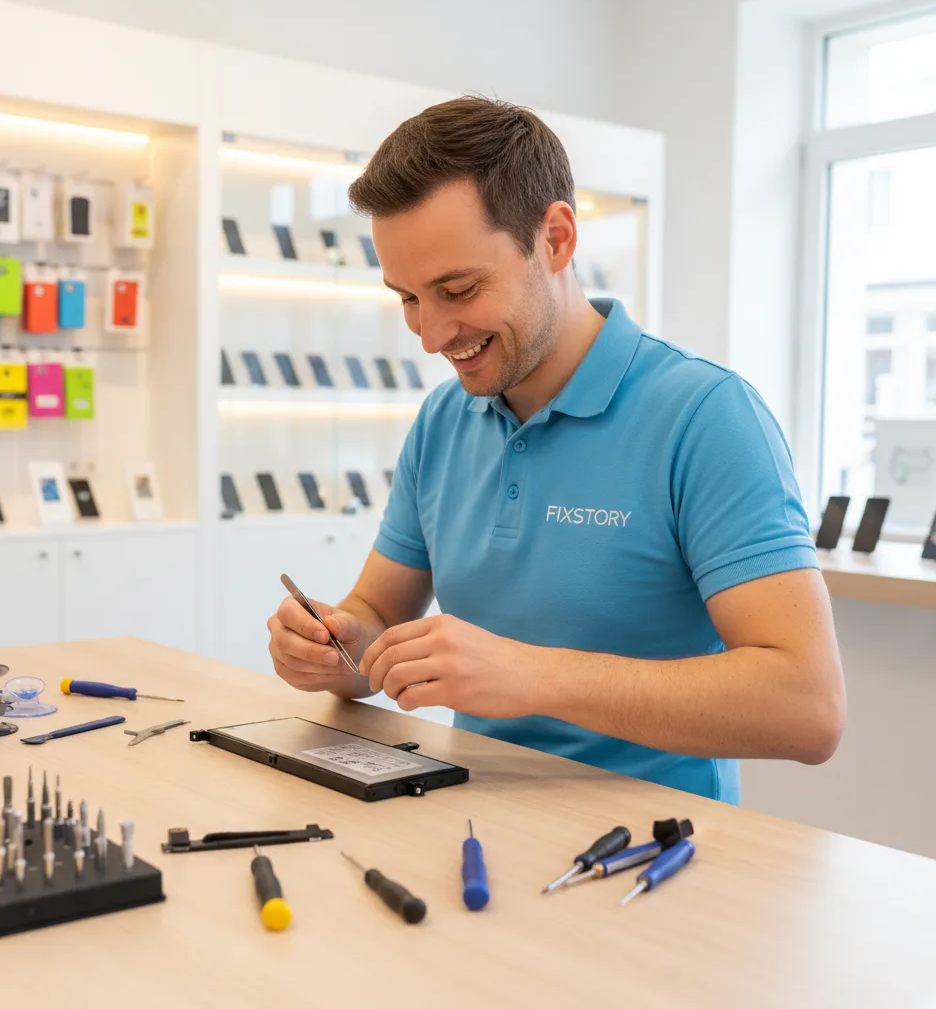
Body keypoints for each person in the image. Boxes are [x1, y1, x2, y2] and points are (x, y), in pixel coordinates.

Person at [267, 96, 845, 803]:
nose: (431, 335)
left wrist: (531, 675)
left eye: (458, 289)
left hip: (657, 848)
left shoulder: (706, 416)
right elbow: (378, 618)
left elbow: (807, 709)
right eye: (409, 298)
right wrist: (337, 645)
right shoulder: (444, 418)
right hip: (468, 814)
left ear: (558, 239)